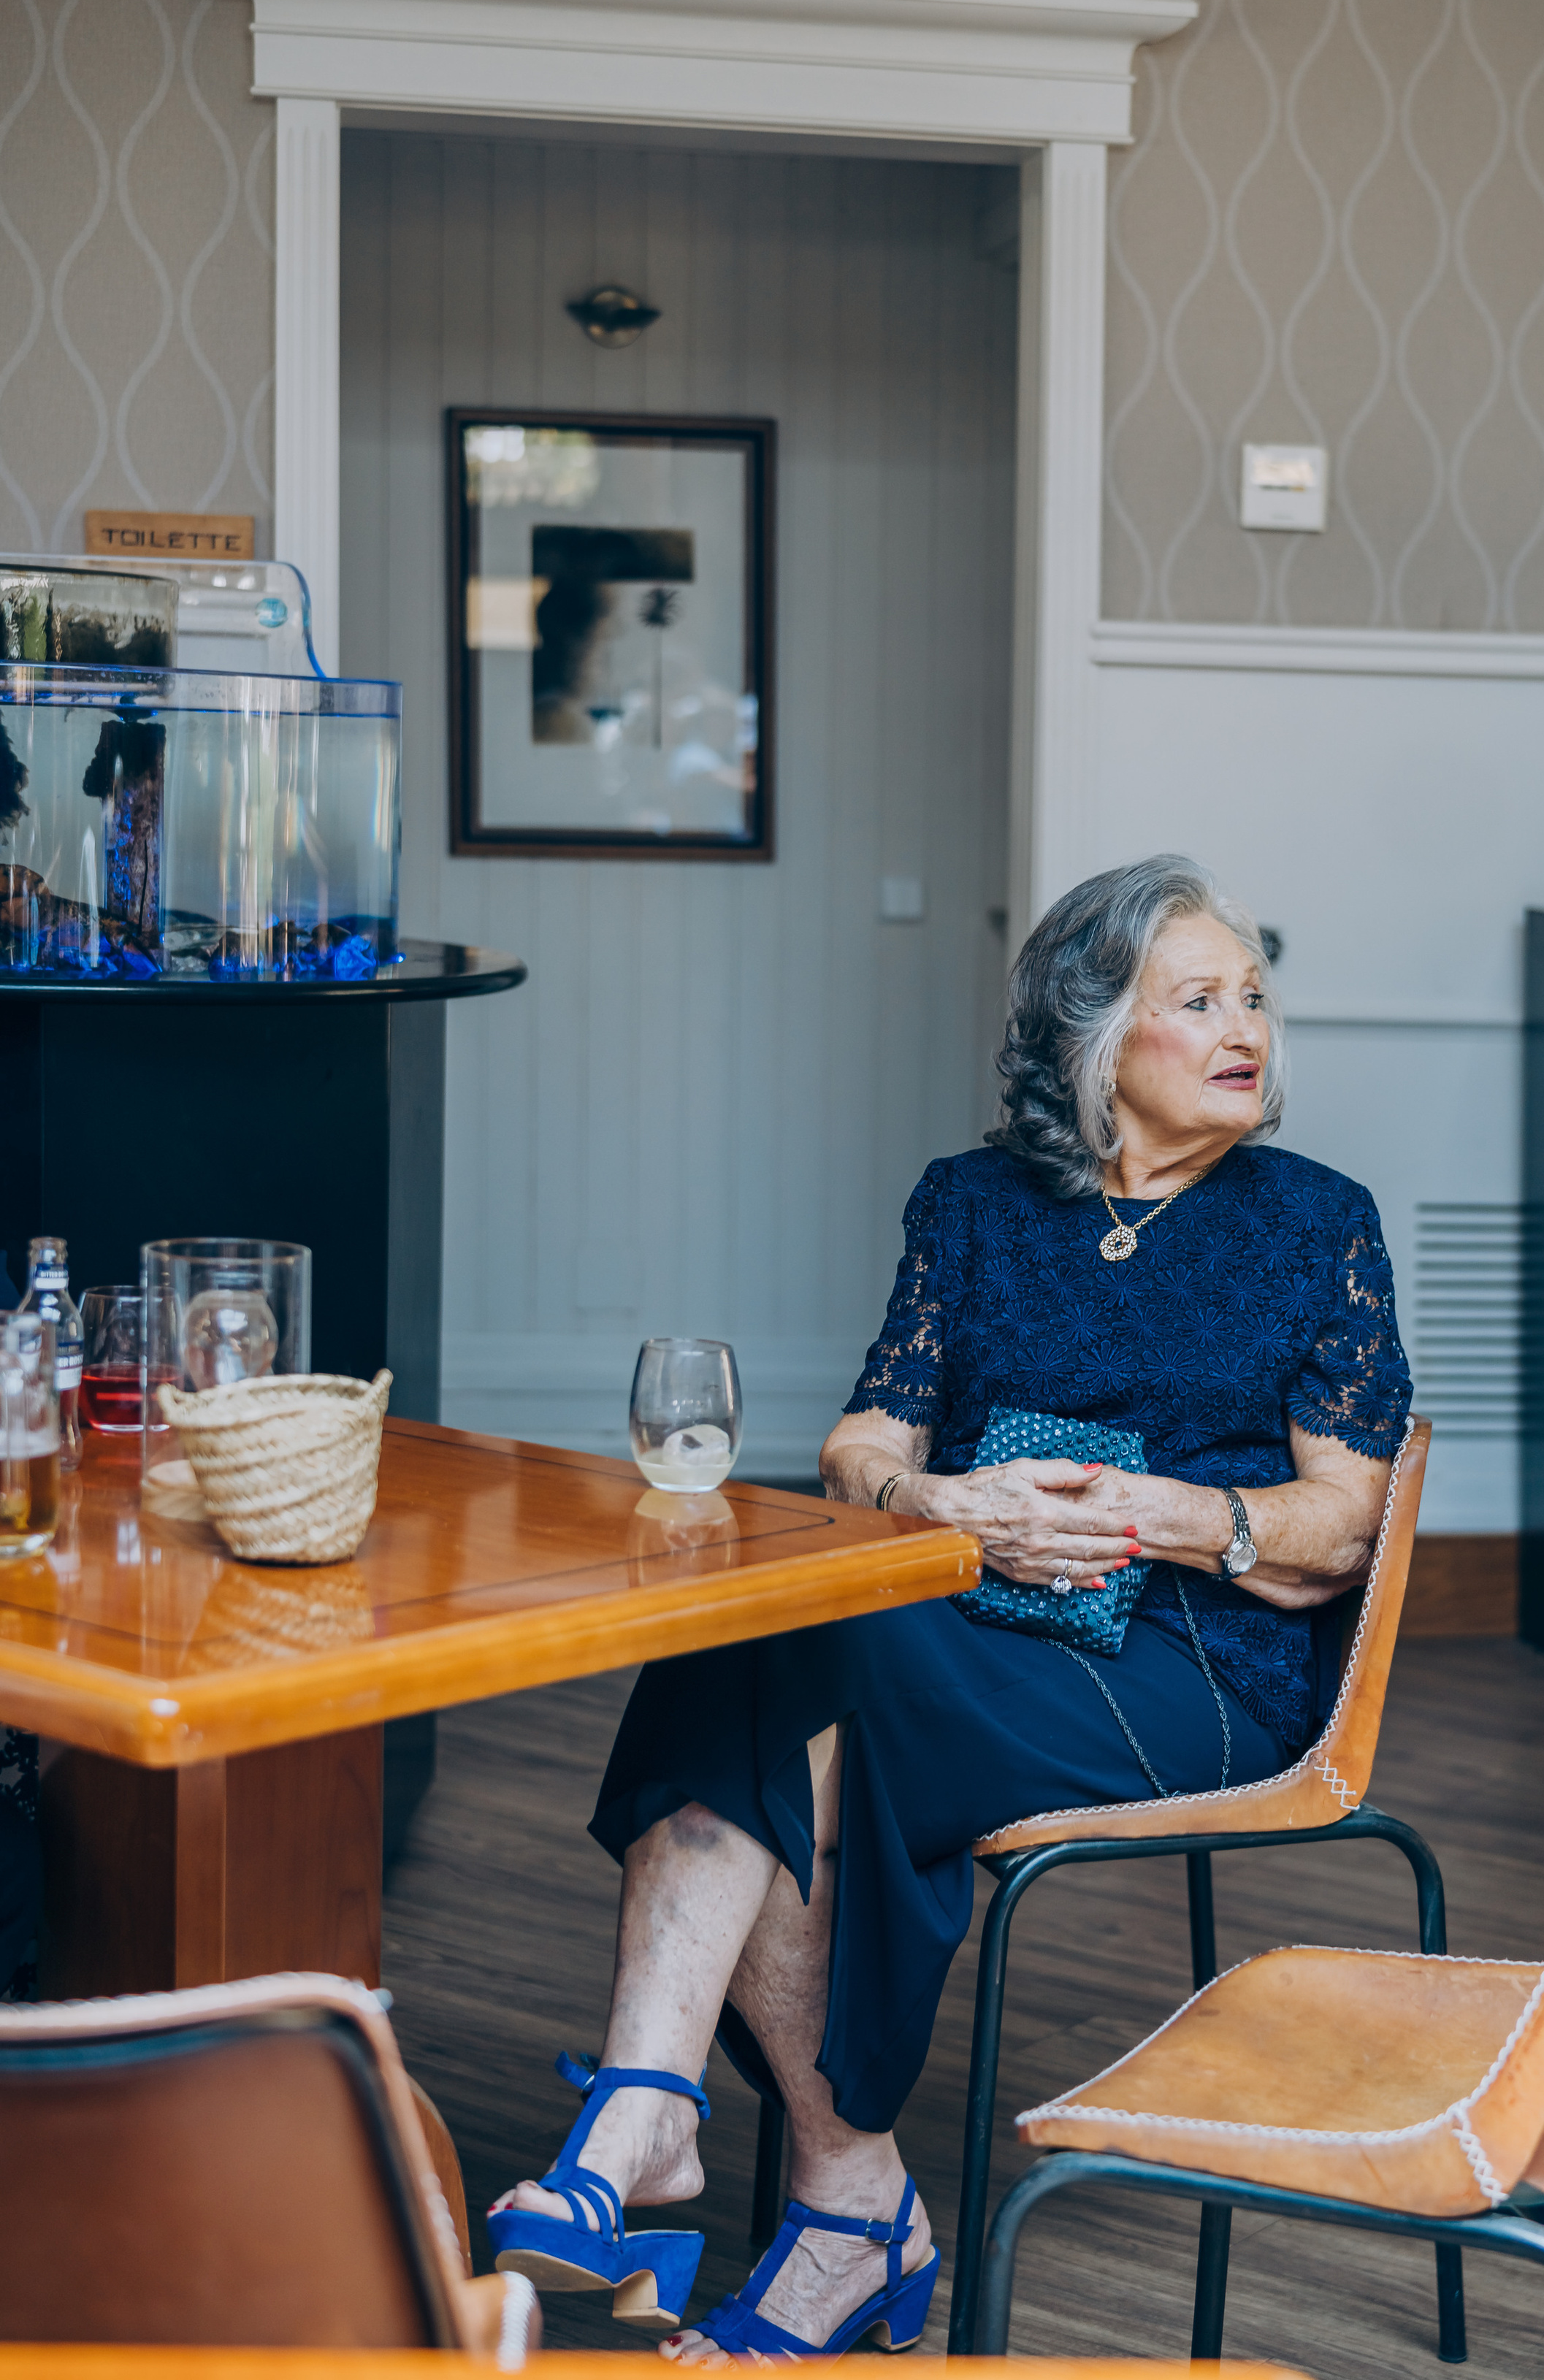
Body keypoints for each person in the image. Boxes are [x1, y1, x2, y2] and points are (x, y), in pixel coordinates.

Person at [489, 854, 1413, 2363]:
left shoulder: (1316, 1223)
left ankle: (681, 2138)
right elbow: (867, 1435)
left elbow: (1337, 1525)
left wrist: (1152, 1516)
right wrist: (930, 1499)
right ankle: (772, 2164)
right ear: (1093, 1038)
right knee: (764, 1627)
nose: (1246, 1024)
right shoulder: (972, 1204)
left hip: (1197, 1661)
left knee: (813, 1661)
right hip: (966, 1607)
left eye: (1251, 993)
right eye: (1197, 998)